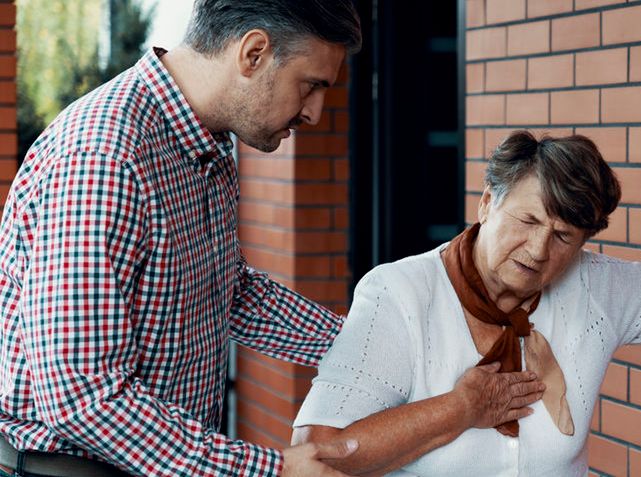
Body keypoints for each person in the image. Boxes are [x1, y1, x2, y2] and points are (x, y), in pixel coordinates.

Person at [0, 2, 542, 476]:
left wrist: (386, 347)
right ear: (253, 54)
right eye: (311, 85)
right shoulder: (105, 158)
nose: (314, 112)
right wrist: (271, 469)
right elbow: (80, 395)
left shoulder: (206, 149)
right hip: (66, 470)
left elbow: (230, 293)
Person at [292, 130, 641, 476]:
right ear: (487, 202)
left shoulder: (593, 286)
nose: (540, 251)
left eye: (565, 237)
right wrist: (460, 409)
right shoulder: (398, 294)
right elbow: (318, 455)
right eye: (528, 222)